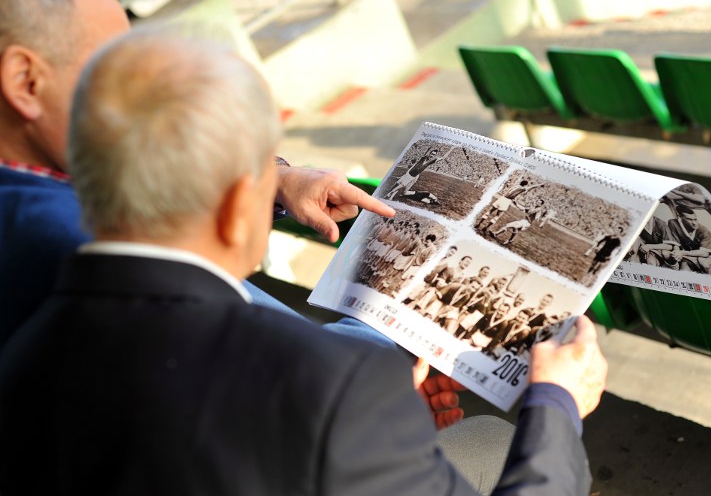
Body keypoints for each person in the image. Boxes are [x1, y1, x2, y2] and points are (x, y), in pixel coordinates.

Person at [0, 27, 607, 495]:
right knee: (497, 442)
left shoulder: (22, 353)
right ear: (239, 207)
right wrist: (556, 405)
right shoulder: (332, 387)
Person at [0, 0, 392, 350]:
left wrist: (274, 178)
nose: (138, 92)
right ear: (25, 81)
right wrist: (398, 308)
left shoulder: (42, 186)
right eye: (110, 67)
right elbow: (311, 369)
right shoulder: (76, 244)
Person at [667, 205, 711, 273]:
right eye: (689, 219)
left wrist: (682, 252)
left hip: (705, 257)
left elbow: (704, 253)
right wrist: (676, 252)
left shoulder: (703, 230)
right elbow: (675, 243)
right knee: (683, 271)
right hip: (688, 256)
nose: (694, 223)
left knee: (705, 264)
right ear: (680, 217)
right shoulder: (673, 223)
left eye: (695, 219)